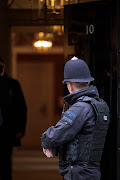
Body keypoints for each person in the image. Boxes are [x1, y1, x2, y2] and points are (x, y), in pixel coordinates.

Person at [41, 56, 110, 180]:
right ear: (88, 82)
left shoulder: (79, 108)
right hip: (93, 171)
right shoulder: (100, 105)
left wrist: (46, 142)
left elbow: (57, 134)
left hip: (79, 173)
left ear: (70, 85)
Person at [0, 57, 27, 180]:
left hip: (7, 130)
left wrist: (20, 129)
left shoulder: (12, 84)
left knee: (5, 162)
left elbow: (21, 108)